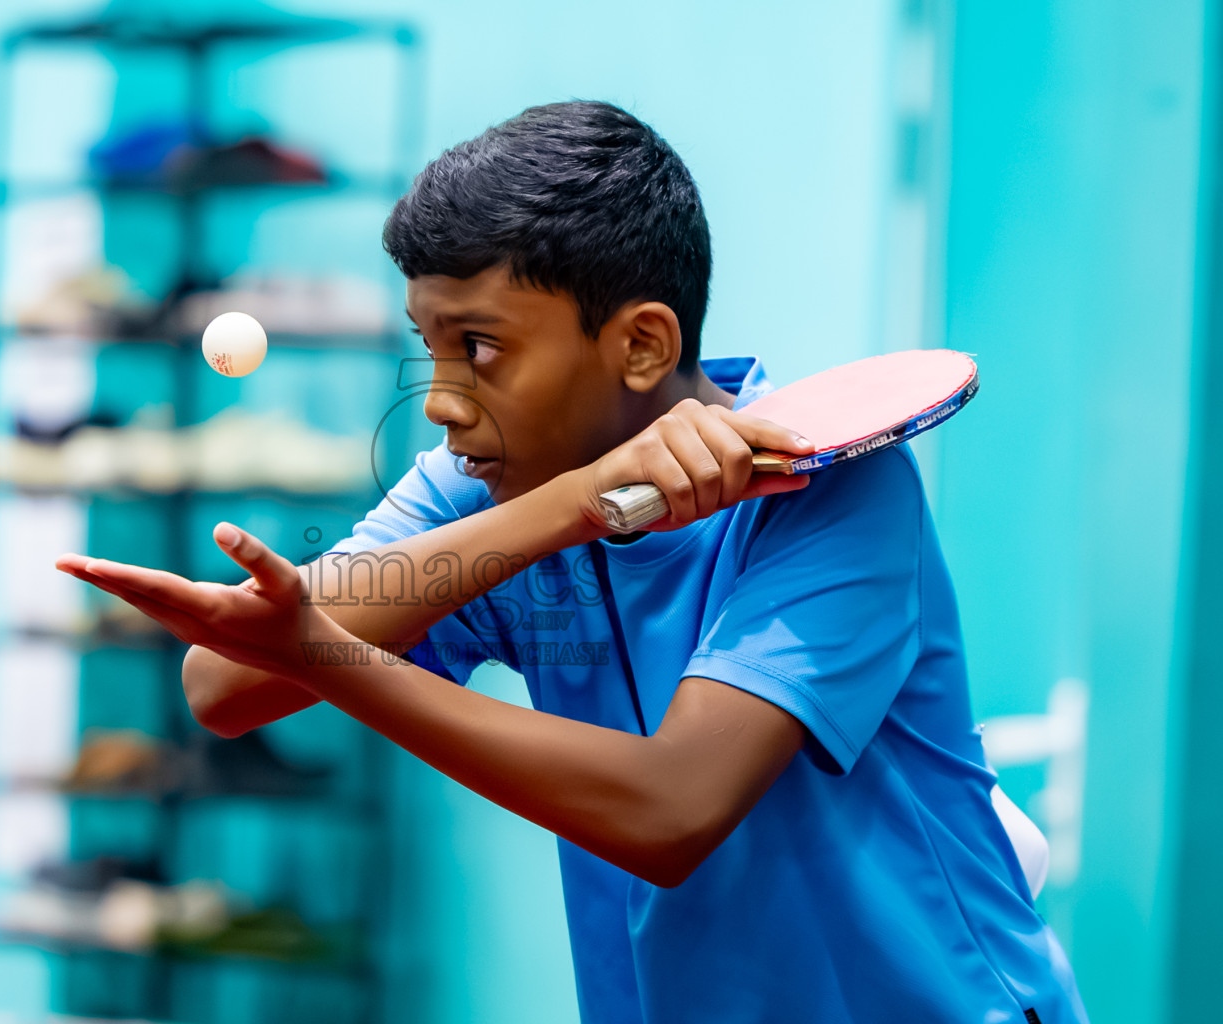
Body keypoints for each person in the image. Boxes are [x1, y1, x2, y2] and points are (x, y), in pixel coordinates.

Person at [57, 101, 1087, 1023]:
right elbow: (227, 680)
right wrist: (565, 511)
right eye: (430, 346)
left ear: (640, 344)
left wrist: (335, 658)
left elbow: (671, 808)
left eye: (483, 349)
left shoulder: (835, 492)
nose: (444, 401)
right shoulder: (484, 479)